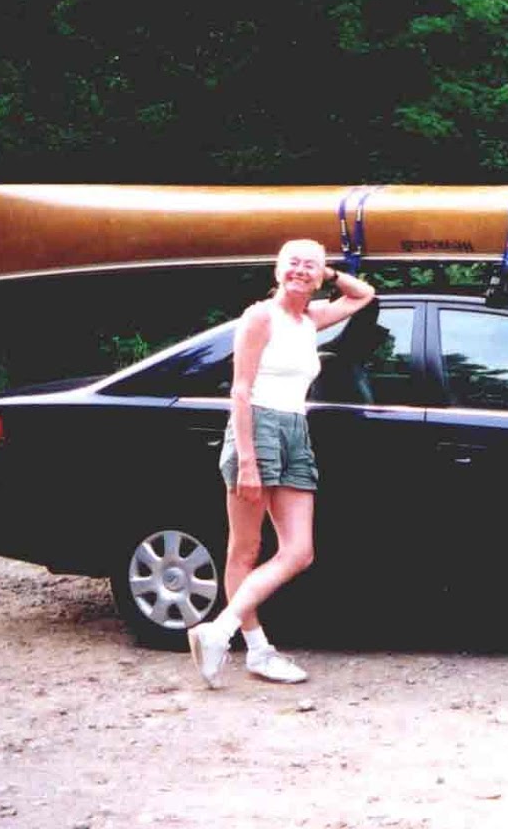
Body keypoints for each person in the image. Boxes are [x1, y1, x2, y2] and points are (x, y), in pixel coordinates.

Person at [187, 239, 375, 688]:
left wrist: (327, 273)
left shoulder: (310, 320)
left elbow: (362, 294)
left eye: (309, 266)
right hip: (257, 428)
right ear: (276, 270)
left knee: (299, 551)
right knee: (245, 548)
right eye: (293, 263)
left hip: (296, 430)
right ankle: (256, 650)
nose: (301, 272)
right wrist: (248, 461)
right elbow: (240, 390)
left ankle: (218, 630)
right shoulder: (259, 317)